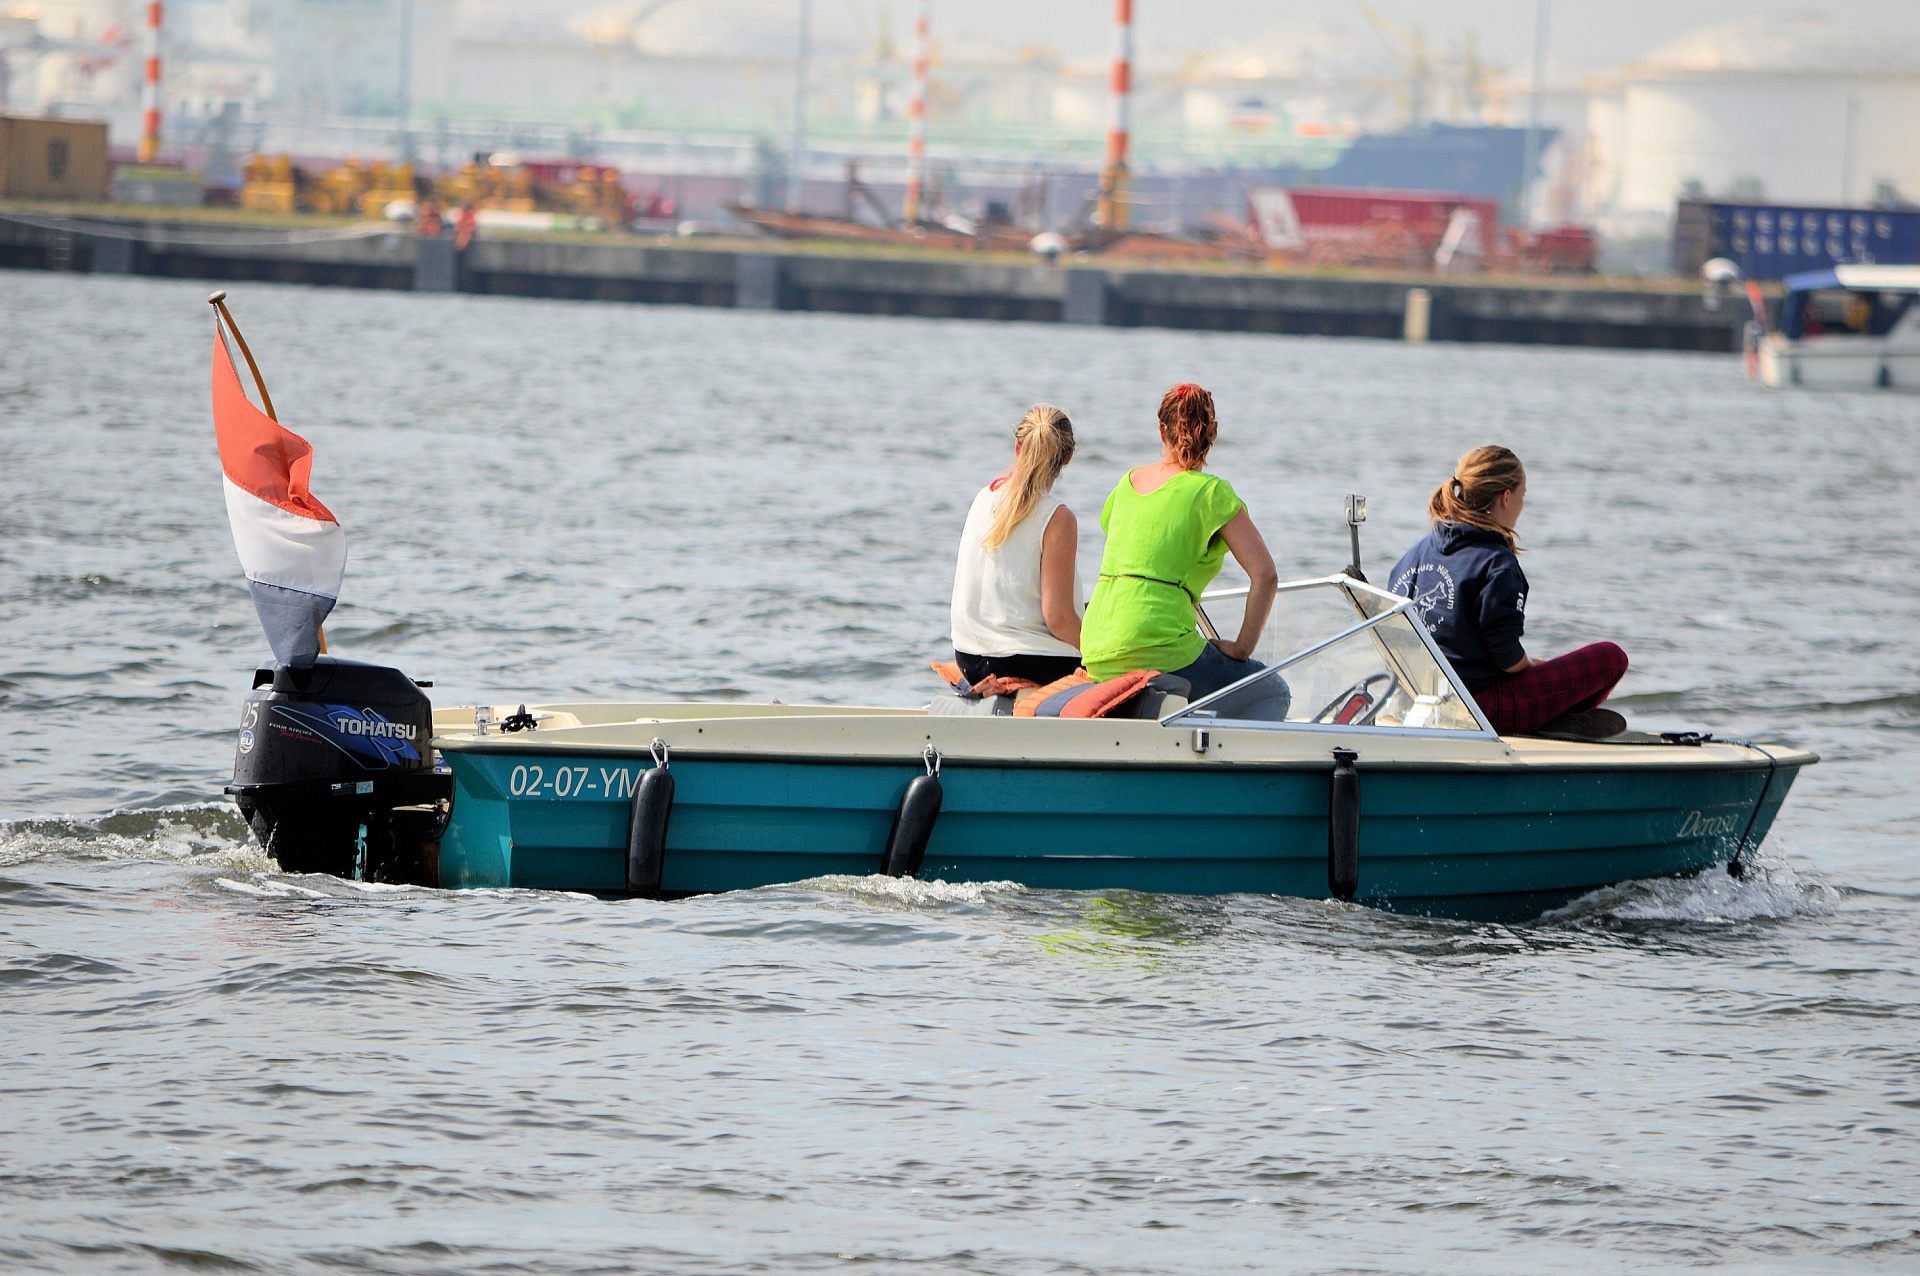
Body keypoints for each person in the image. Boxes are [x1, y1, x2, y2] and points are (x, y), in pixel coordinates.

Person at [1078, 383, 1290, 718]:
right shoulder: (1211, 493)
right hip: (1159, 647)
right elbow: (1266, 575)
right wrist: (1240, 648)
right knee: (1271, 690)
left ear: (1161, 430)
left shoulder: (1126, 483)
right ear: (1213, 432)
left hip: (1096, 645)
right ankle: (1224, 769)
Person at [1389, 445, 1629, 738]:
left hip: (1416, 699)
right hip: (1477, 710)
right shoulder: (1496, 563)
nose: (1522, 504)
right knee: (1611, 658)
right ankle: (1550, 719)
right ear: (1506, 498)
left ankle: (1550, 718)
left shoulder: (1413, 555)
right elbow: (1505, 656)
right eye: (1522, 496)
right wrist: (1529, 663)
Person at [949, 404, 1084, 687]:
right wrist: (1099, 650)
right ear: (1068, 457)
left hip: (968, 657)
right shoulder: (1057, 518)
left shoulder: (983, 497)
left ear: (1017, 447)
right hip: (1026, 659)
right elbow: (1057, 618)